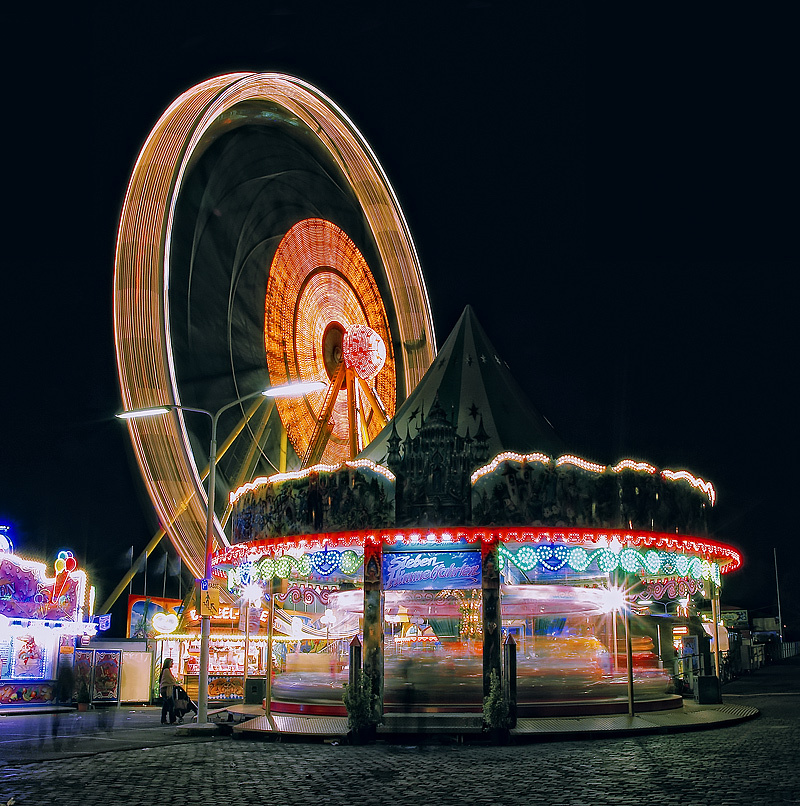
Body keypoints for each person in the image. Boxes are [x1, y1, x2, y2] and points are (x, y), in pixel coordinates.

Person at [159, 657, 178, 725]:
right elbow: (170, 680)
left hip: (164, 689)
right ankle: (172, 720)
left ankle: (163, 719)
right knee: (171, 705)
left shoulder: (165, 670)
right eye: (171, 663)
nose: (172, 664)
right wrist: (175, 684)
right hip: (166, 690)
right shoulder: (167, 671)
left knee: (165, 705)